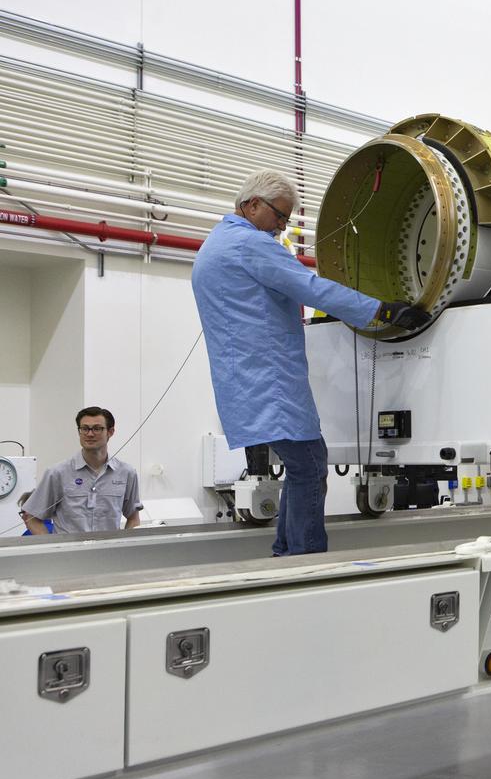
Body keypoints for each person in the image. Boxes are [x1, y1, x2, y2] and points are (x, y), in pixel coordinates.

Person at [192, 169, 430, 556]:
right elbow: (310, 286)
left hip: (246, 382)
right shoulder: (249, 245)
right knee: (309, 465)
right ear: (252, 205)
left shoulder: (216, 244)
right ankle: (303, 557)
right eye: (279, 216)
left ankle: (286, 550)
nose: (282, 227)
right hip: (269, 382)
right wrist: (381, 312)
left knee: (305, 465)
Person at [20, 407, 143, 534]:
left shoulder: (127, 473)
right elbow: (31, 517)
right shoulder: (57, 473)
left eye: (97, 428)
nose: (89, 434)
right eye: (84, 428)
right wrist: (53, 548)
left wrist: (125, 547)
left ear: (110, 432)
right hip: (70, 553)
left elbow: (133, 519)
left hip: (109, 552)